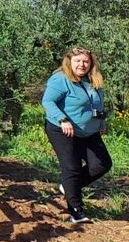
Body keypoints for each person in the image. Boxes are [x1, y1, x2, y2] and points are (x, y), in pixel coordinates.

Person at [42, 47, 112, 224]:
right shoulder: (60, 79)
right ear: (69, 62)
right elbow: (47, 101)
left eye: (85, 61)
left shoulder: (92, 80)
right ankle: (76, 211)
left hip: (89, 132)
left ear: (91, 63)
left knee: (102, 164)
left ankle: (68, 186)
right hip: (63, 129)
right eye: (78, 61)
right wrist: (62, 119)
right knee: (71, 167)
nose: (82, 64)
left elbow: (97, 104)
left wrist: (101, 122)